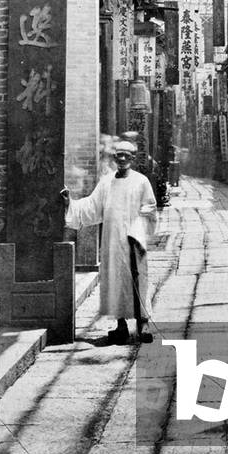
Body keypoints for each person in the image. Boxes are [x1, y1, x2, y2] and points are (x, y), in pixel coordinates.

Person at [61, 139, 157, 345]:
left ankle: (143, 323)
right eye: (118, 155)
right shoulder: (106, 182)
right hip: (112, 240)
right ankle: (121, 325)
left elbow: (149, 208)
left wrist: (137, 230)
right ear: (114, 158)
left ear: (132, 158)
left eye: (126, 155)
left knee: (138, 278)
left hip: (134, 240)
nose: (122, 159)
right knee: (115, 281)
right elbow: (92, 206)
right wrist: (71, 204)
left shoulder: (141, 182)